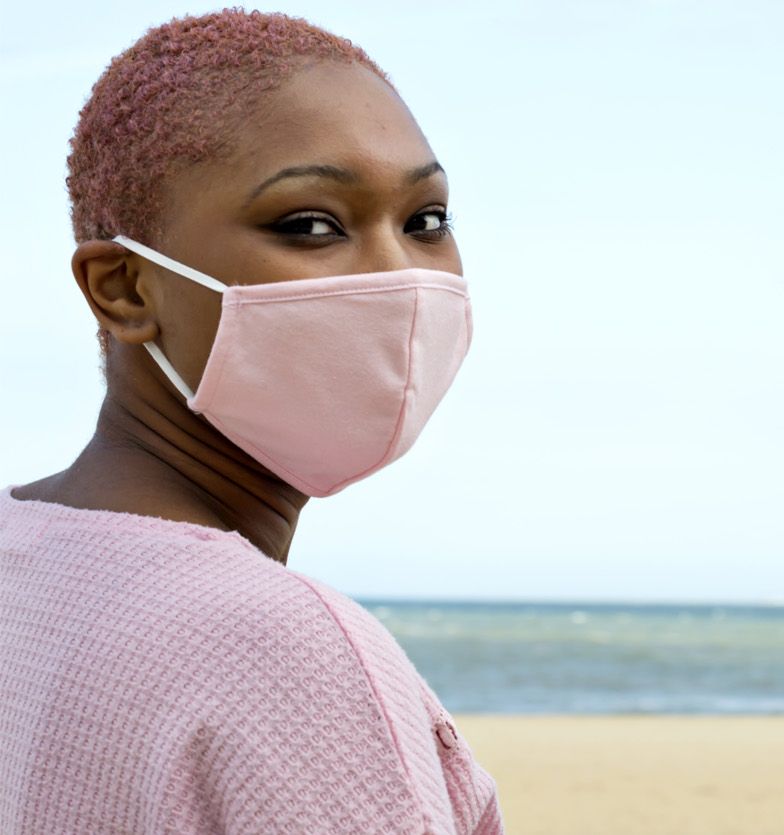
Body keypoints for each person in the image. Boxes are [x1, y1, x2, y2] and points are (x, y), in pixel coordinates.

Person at [0, 10, 502, 834]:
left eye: (426, 220)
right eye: (310, 224)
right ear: (124, 288)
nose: (399, 279)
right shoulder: (287, 647)